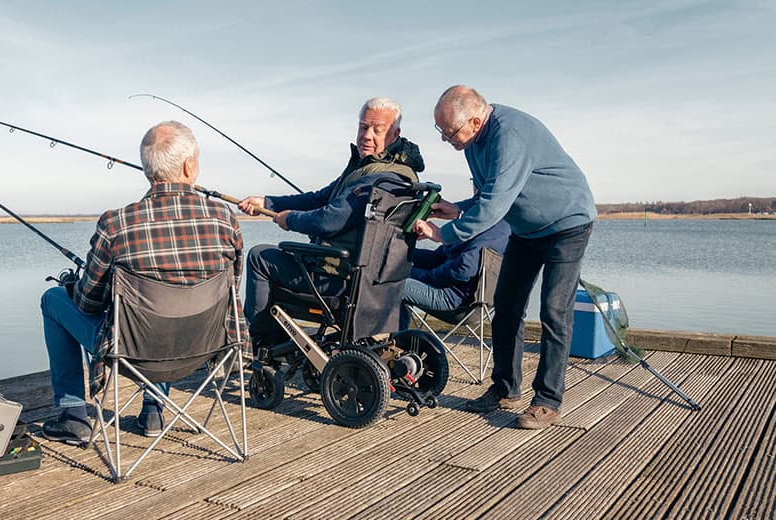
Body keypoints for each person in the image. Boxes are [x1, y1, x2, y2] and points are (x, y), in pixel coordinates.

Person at [40, 120, 244, 444]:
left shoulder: (116, 224)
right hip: (205, 347)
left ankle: (74, 415)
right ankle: (153, 409)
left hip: (131, 354)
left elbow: (87, 302)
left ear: (148, 170)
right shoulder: (225, 220)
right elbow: (232, 286)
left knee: (53, 300)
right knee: (172, 312)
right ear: (190, 167)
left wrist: (77, 287)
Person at [415, 85, 596, 429]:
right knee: (507, 306)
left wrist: (443, 234)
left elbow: (495, 205)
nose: (445, 139)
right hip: (527, 230)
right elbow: (488, 196)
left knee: (554, 312)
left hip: (568, 223)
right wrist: (456, 210)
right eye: (441, 131)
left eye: (449, 132)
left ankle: (547, 400)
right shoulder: (472, 142)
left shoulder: (510, 135)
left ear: (476, 119)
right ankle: (505, 387)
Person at [239, 97, 424, 351]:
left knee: (260, 256)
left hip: (340, 279)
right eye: (363, 127)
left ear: (395, 133)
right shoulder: (400, 174)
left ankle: (262, 343)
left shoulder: (377, 179)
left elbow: (330, 220)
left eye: (377, 130)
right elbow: (319, 198)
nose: (367, 136)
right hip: (377, 284)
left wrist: (290, 219)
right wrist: (268, 202)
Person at [399, 219, 510, 330]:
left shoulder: (493, 231)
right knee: (394, 274)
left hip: (458, 304)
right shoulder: (493, 225)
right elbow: (437, 257)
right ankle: (398, 338)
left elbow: (464, 269)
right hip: (476, 306)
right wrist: (400, 252)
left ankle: (398, 341)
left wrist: (425, 276)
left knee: (393, 284)